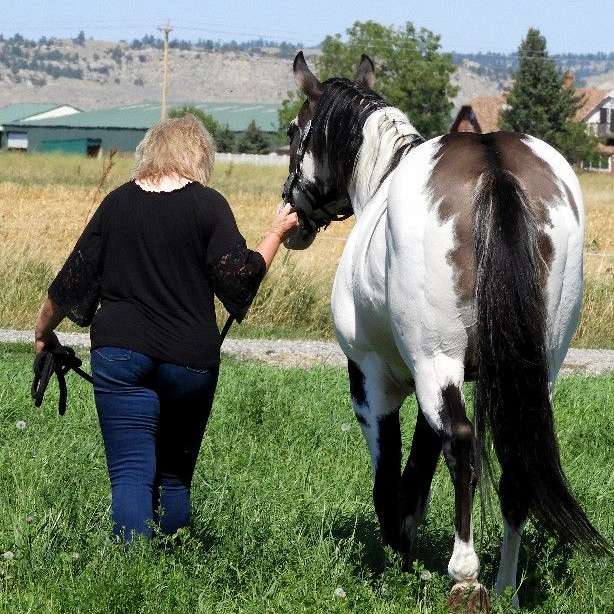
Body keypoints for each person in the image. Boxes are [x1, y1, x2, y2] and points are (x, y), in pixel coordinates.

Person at [34, 115, 298, 540]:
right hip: (190, 363)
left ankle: (135, 577)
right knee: (175, 478)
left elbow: (70, 282)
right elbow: (241, 277)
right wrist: (276, 233)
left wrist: (43, 333)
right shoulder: (209, 205)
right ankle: (176, 564)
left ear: (148, 153)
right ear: (199, 156)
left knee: (130, 476)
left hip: (120, 357)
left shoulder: (117, 203)